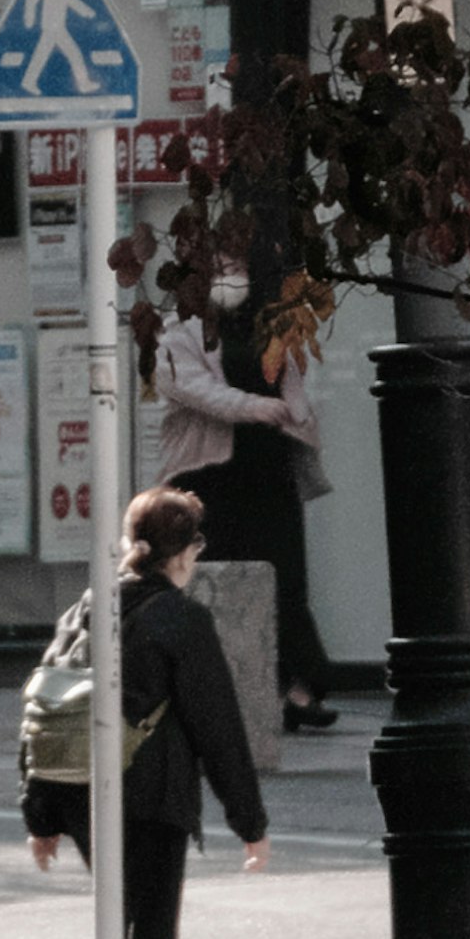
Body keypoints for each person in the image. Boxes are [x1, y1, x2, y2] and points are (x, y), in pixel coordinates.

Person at [28, 483, 271, 939]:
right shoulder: (181, 619)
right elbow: (218, 725)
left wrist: (42, 814)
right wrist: (250, 822)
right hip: (150, 802)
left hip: (81, 795)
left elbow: (45, 704)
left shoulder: (89, 606)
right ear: (187, 552)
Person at [140, 284, 336, 732]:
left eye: (239, 264)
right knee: (210, 582)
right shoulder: (178, 330)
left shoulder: (271, 324)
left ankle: (299, 686)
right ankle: (209, 690)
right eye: (222, 265)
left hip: (268, 469)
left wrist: (298, 417)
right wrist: (256, 408)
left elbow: (292, 385)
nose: (233, 275)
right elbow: (195, 389)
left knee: (284, 579)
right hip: (208, 478)